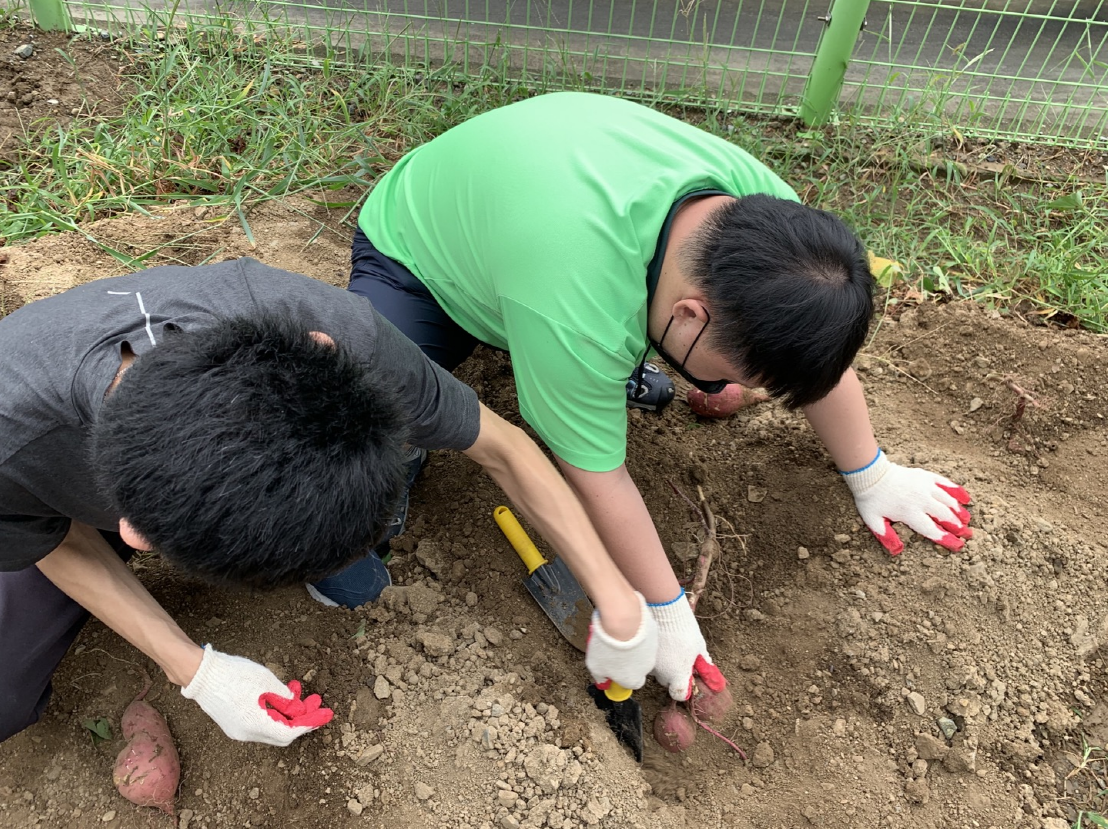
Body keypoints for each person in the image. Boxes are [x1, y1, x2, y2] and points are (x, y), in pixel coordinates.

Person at [349, 91, 974, 702]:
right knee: (371, 403)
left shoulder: (785, 240)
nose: (741, 390)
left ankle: (599, 371)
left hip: (537, 235)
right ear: (689, 314)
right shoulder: (578, 307)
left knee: (589, 351)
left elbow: (809, 348)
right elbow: (597, 476)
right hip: (421, 257)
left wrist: (872, 472)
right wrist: (666, 611)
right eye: (730, 375)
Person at [0, 258, 656, 745]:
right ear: (137, 533)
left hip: (152, 466)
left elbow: (506, 447)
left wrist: (621, 602)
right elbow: (55, 539)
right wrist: (193, 669)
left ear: (322, 351)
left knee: (358, 580)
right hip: (40, 484)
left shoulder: (328, 328)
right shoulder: (13, 435)